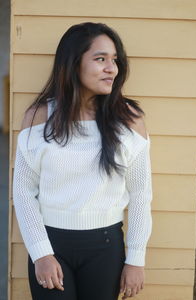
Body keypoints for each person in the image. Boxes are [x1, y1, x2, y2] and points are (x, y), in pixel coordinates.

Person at [13, 22, 152, 300]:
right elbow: (23, 191)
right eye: (100, 59)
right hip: (51, 246)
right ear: (73, 63)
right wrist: (41, 253)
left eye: (114, 60)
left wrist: (136, 259)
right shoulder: (39, 117)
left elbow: (141, 194)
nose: (111, 68)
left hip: (106, 248)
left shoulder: (130, 120)